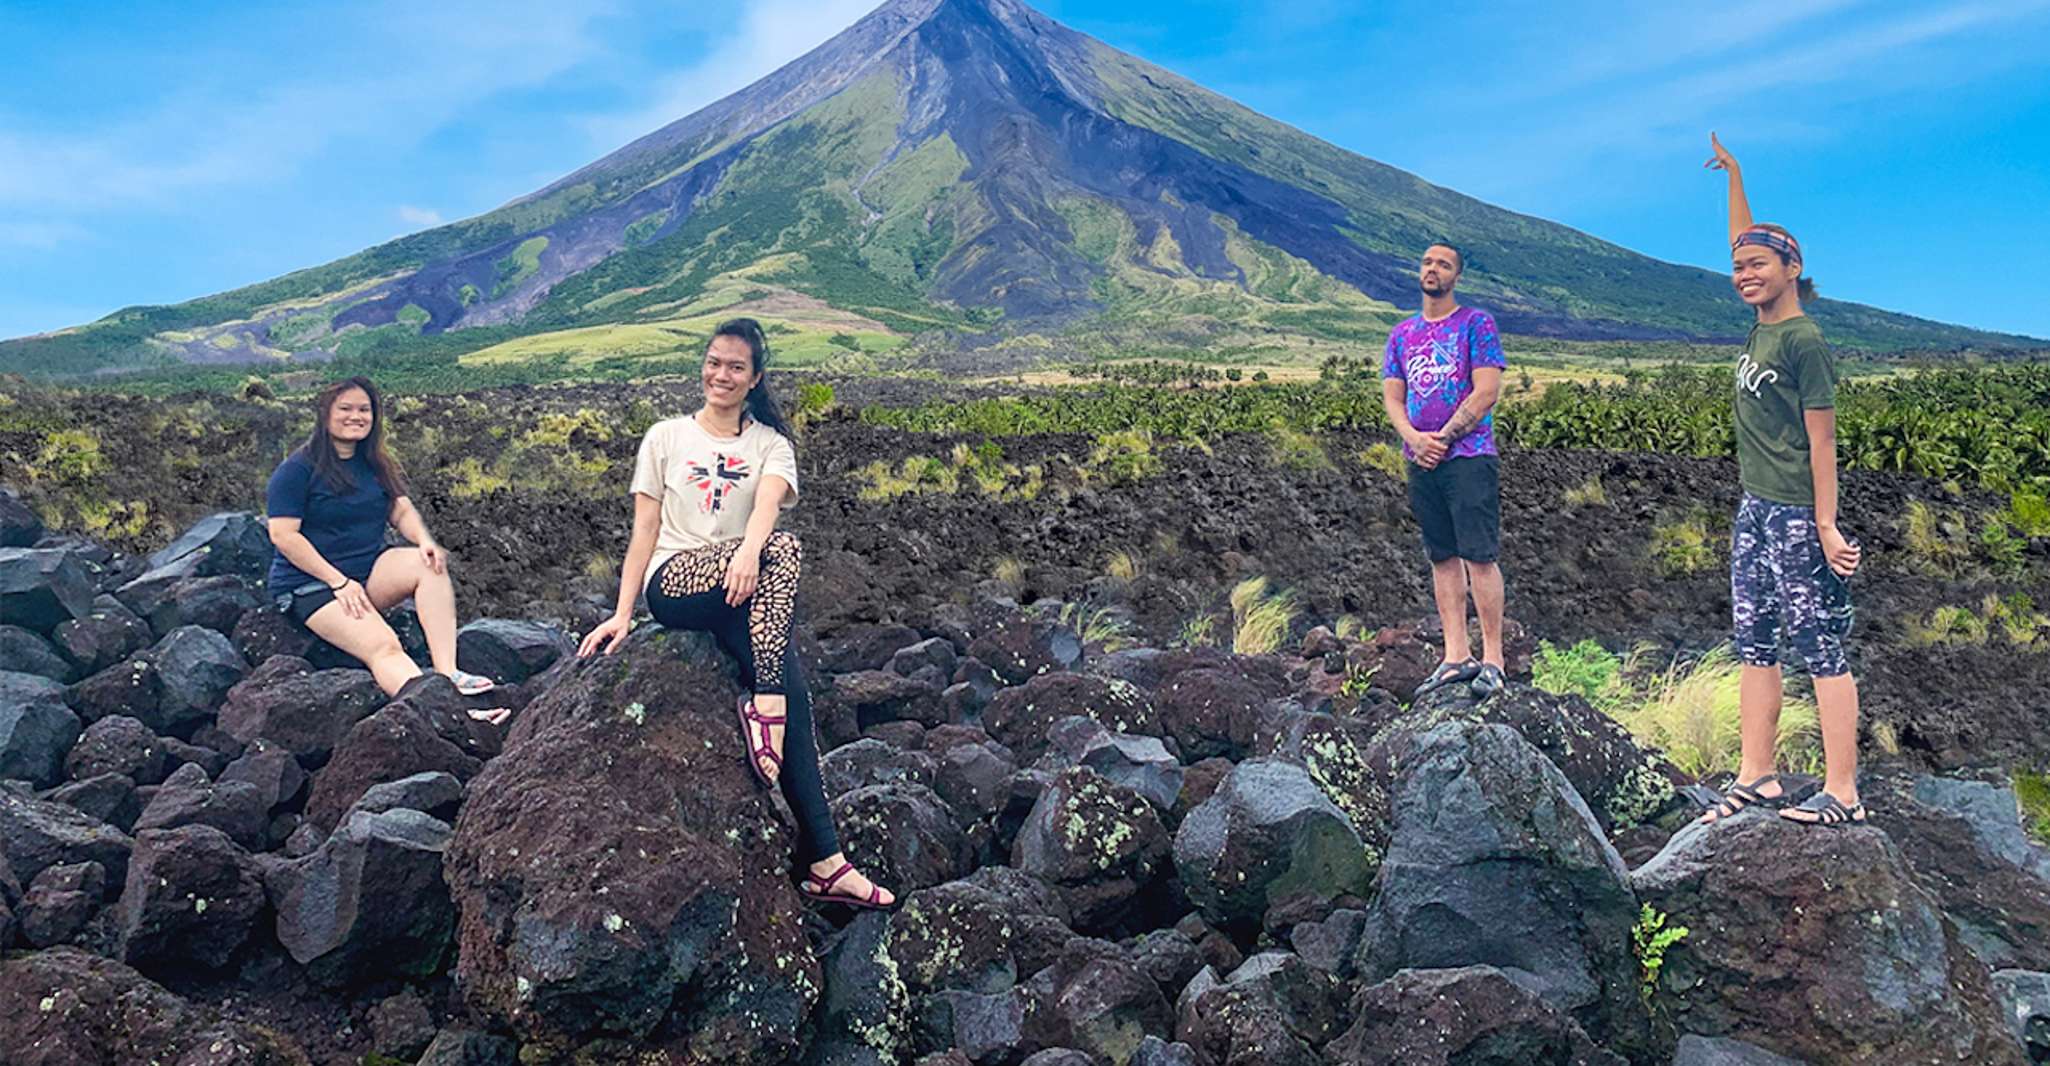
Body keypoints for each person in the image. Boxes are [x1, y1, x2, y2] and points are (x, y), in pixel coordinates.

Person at [578, 318, 895, 909]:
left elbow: (768, 505)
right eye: (713, 362)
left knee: (791, 679)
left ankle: (825, 860)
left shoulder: (771, 445)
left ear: (755, 379)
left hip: (743, 592)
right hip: (676, 583)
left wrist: (748, 553)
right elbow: (644, 531)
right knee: (785, 561)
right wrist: (621, 614)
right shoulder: (665, 436)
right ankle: (764, 700)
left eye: (735, 367)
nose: (720, 375)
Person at [1698, 133, 1865, 827]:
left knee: (1819, 642)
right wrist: (1735, 175)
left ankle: (1844, 793)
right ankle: (1757, 774)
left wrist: (1825, 526)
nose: (1745, 273)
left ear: (1792, 268)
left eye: (1759, 264)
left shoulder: (1803, 341)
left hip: (1797, 511)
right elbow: (1746, 235)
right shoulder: (1761, 325)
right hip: (1755, 509)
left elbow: (1823, 441)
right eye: (1739, 266)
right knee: (1755, 637)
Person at [265, 376, 508, 725]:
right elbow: (284, 536)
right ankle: (452, 714)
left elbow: (401, 509)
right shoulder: (296, 470)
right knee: (385, 646)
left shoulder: (374, 463)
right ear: (325, 414)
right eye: (345, 408)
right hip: (310, 586)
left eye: (364, 409)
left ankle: (448, 672)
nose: (356, 416)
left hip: (365, 572)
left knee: (428, 566)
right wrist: (338, 582)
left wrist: (425, 541)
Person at [1381, 242, 1510, 700]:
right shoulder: (1402, 335)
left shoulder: (1476, 324)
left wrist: (1444, 438)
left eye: (1444, 264)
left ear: (1456, 276)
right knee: (1441, 555)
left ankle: (1493, 658)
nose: (1433, 269)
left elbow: (1486, 391)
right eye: (1428, 262)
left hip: (1469, 456)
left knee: (1479, 555)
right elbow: (1393, 397)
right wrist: (1415, 440)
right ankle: (1456, 654)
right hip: (1421, 458)